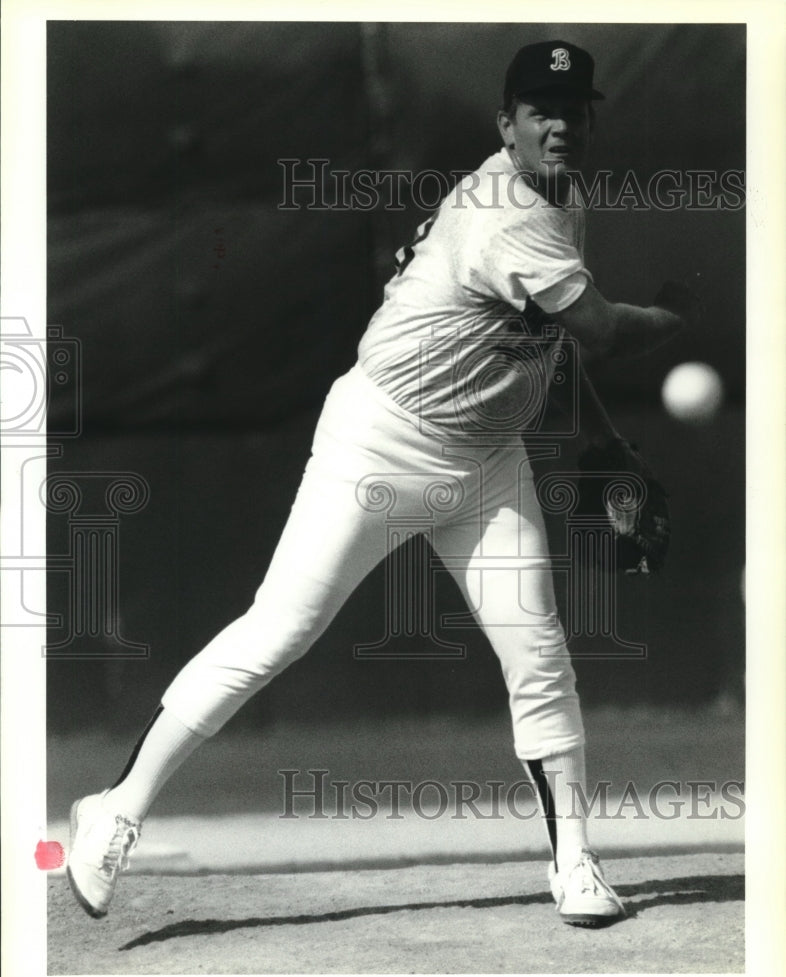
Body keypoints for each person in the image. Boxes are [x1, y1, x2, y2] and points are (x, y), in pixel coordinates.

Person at [67, 39, 692, 928]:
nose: (560, 123)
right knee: (277, 631)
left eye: (573, 108)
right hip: (383, 445)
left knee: (540, 655)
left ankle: (574, 860)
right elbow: (600, 329)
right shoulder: (505, 209)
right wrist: (678, 314)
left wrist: (601, 438)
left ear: (590, 118)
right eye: (539, 110)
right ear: (506, 125)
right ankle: (114, 810)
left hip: (485, 465)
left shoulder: (565, 198)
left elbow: (543, 334)